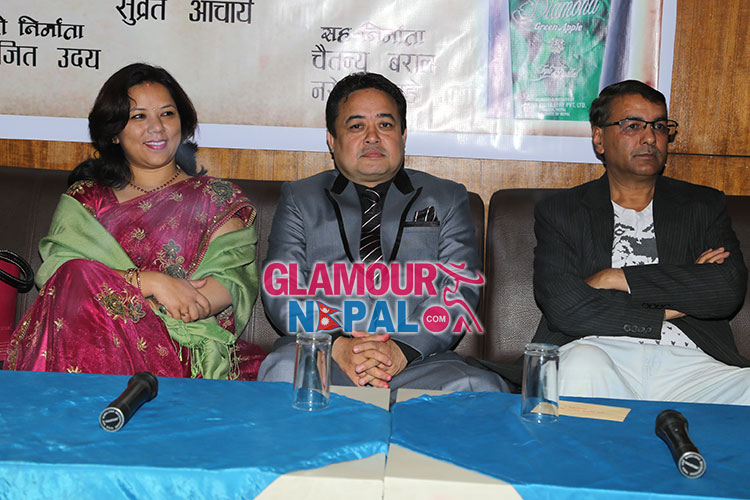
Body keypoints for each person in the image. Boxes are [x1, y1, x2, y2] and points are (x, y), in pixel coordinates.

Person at [5, 63, 266, 380]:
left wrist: (145, 308)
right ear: (114, 133)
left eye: (167, 114)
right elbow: (61, 277)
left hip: (178, 342)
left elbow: (227, 284)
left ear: (182, 124)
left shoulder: (217, 198)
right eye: (139, 116)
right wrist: (152, 283)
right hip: (86, 338)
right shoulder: (85, 200)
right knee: (76, 274)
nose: (157, 127)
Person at [258, 72, 508, 399]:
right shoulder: (300, 198)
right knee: (284, 370)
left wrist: (400, 350)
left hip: (417, 363)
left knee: (480, 389)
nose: (373, 137)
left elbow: (458, 291)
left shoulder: (445, 197)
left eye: (385, 125)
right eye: (356, 126)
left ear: (403, 136)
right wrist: (338, 344)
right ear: (332, 140)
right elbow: (283, 291)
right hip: (327, 354)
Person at [522, 80, 748, 404]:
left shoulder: (702, 205)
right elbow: (565, 306)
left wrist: (615, 278)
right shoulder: (562, 211)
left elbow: (725, 289)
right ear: (599, 138)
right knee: (579, 367)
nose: (650, 138)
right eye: (633, 126)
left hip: (692, 363)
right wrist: (673, 306)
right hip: (598, 350)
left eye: (659, 126)